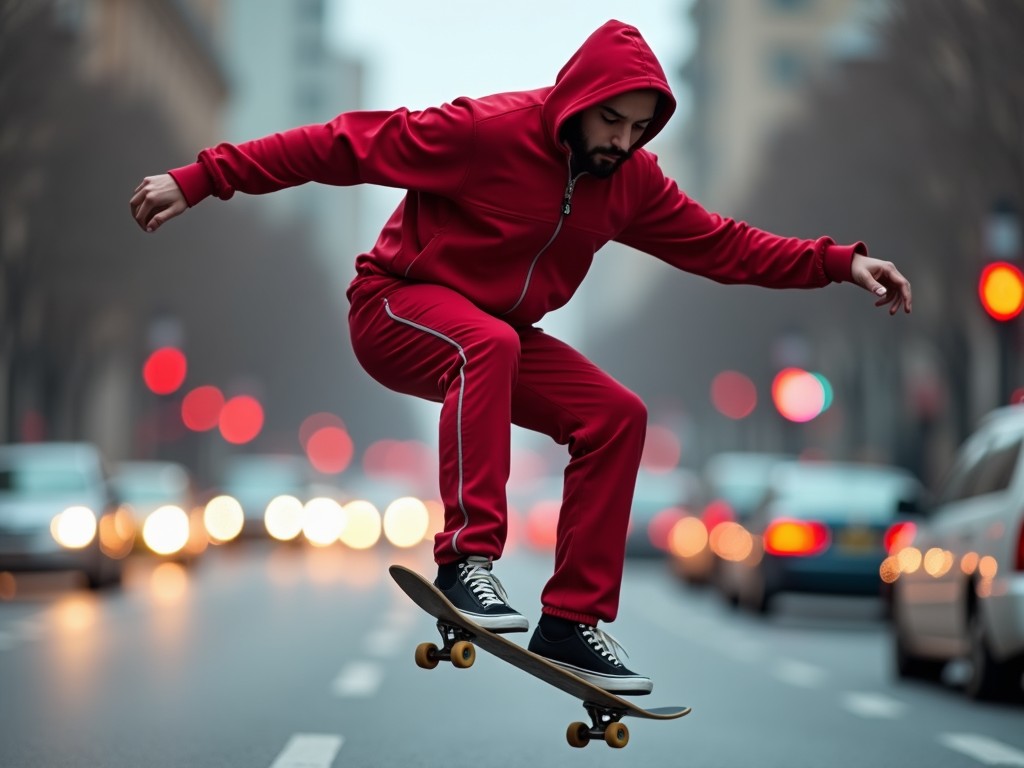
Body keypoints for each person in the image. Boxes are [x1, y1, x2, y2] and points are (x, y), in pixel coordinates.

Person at [130, 20, 912, 695]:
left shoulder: (630, 182)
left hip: (501, 339)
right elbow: (337, 145)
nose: (621, 142)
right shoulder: (480, 133)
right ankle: (467, 560)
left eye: (638, 129)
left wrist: (839, 264)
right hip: (396, 305)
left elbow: (723, 246)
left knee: (615, 416)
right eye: (610, 121)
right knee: (487, 341)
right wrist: (202, 179)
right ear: (578, 99)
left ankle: (572, 620)